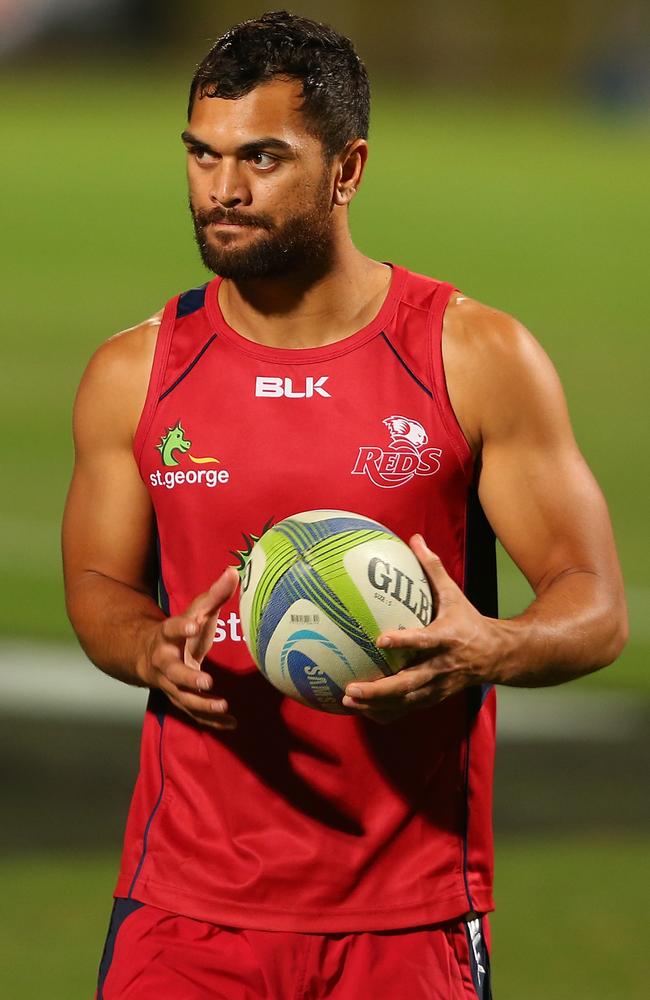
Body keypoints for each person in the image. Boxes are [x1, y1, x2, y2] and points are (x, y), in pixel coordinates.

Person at [62, 11, 627, 1000]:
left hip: (407, 915)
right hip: (185, 909)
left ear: (347, 168)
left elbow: (593, 605)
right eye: (201, 155)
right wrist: (145, 646)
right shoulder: (134, 371)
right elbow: (100, 586)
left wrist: (490, 646)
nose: (221, 189)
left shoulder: (472, 356)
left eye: (262, 158)